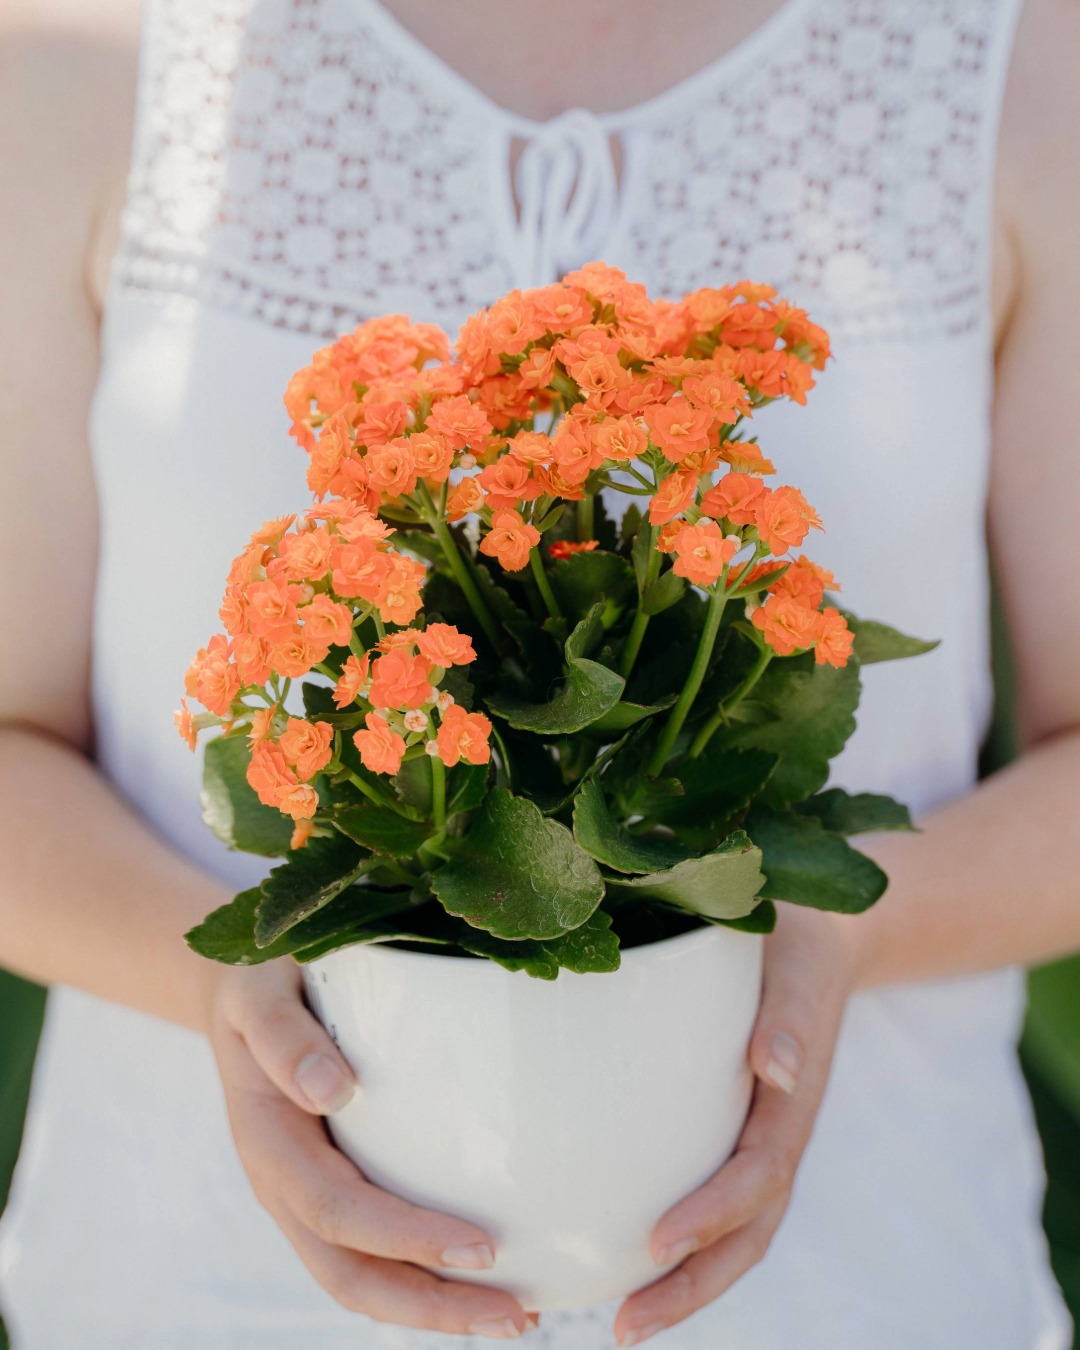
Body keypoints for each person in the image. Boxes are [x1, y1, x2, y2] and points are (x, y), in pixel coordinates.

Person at [1, 0, 1078, 1344]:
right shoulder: (80, 52)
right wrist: (230, 991)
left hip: (859, 1281)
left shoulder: (1009, 57)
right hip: (202, 1285)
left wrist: (843, 929)